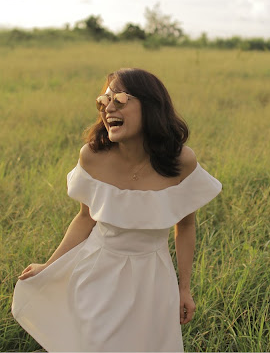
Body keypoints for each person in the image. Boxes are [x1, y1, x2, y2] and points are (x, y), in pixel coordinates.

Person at [12, 68, 222, 352]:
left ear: (150, 105)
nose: (108, 108)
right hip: (96, 273)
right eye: (104, 101)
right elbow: (85, 218)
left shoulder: (180, 161)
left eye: (119, 100)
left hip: (153, 279)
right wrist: (48, 267)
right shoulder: (92, 157)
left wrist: (184, 288)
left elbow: (185, 225)